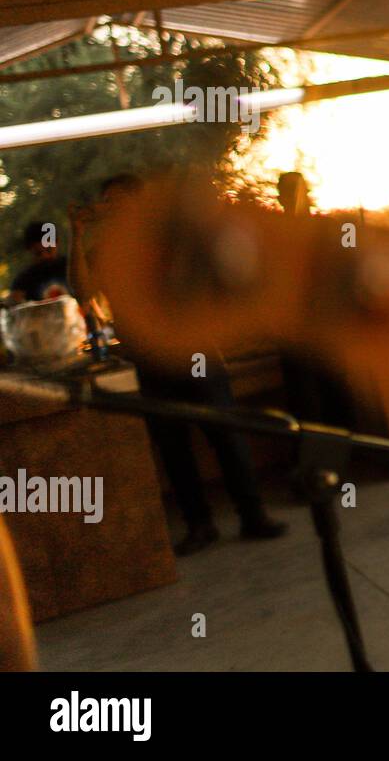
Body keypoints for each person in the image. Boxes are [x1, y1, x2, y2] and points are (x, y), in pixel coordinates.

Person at [69, 173, 287, 556]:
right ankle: (200, 525)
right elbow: (84, 293)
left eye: (119, 200)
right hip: (149, 361)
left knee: (226, 435)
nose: (112, 208)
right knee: (174, 448)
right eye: (108, 201)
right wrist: (75, 234)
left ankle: (253, 515)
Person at [6, 221, 70, 303]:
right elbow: (14, 302)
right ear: (30, 251)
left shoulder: (72, 267)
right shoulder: (24, 279)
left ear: (57, 243)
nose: (45, 256)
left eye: (49, 250)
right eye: (38, 253)